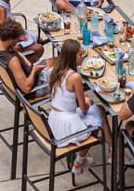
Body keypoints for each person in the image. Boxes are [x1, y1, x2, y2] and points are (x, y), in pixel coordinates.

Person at [43, 41, 103, 169]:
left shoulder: (56, 69)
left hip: (54, 120)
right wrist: (88, 101)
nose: (83, 57)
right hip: (68, 126)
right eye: (80, 54)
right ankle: (79, 162)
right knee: (97, 119)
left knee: (97, 112)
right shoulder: (75, 77)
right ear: (72, 57)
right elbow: (83, 107)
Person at [0, 18, 47, 101]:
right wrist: (34, 71)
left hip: (26, 78)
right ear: (11, 39)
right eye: (17, 39)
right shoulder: (13, 61)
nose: (18, 41)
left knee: (57, 63)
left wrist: (20, 55)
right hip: (37, 86)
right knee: (66, 72)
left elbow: (11, 49)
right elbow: (26, 88)